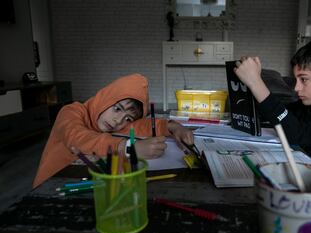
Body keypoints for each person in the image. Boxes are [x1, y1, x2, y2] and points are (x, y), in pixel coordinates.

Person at [33, 73, 193, 188]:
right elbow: (78, 138)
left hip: (86, 183)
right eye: (117, 109)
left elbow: (139, 125)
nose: (118, 121)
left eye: (128, 118)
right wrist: (129, 148)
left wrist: (173, 127)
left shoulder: (112, 122)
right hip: (50, 187)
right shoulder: (70, 111)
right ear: (106, 97)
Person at [234, 40, 311, 175]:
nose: (296, 88)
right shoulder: (307, 106)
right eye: (296, 80)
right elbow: (277, 116)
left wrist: (256, 83)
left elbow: (298, 134)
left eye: (304, 79)